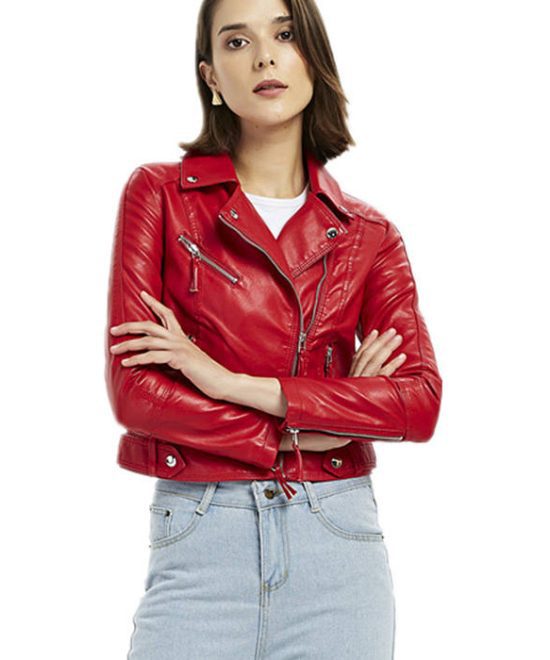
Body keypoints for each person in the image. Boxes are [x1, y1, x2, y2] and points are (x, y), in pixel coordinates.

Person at [104, 0, 443, 658]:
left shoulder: (369, 235)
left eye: (284, 34)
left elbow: (418, 402)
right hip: (203, 533)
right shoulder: (161, 196)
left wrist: (224, 381)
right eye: (237, 41)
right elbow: (136, 392)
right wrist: (319, 424)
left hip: (336, 543)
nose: (264, 55)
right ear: (210, 75)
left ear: (312, 56)